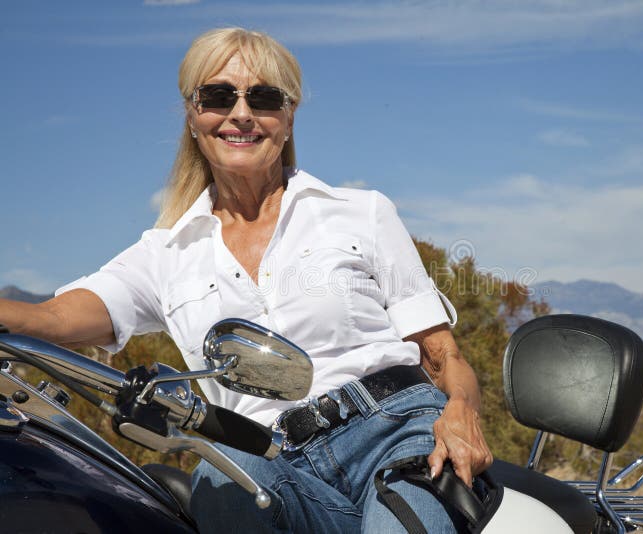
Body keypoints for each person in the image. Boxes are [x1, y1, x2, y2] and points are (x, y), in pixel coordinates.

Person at [0, 27, 491, 532]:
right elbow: (52, 318)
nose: (240, 113)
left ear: (289, 115)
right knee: (219, 476)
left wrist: (461, 413)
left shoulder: (362, 213)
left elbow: (442, 357)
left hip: (393, 435)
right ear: (193, 116)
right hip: (271, 462)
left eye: (263, 97)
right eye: (217, 96)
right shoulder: (164, 254)